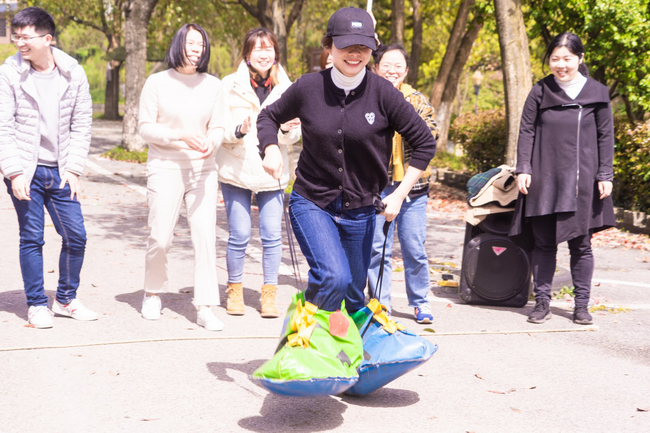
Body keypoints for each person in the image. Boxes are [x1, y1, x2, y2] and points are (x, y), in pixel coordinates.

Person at [257, 7, 436, 319]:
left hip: (362, 209)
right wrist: (270, 148)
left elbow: (425, 142)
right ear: (329, 46)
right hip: (312, 201)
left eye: (363, 47)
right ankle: (302, 339)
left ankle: (338, 345)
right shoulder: (308, 87)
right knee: (334, 278)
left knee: (353, 296)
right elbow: (268, 116)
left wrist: (399, 194)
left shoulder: (384, 94)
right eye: (346, 46)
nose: (355, 54)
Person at [0, 7, 97, 328]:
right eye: (16, 37)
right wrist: (14, 172)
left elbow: (82, 124)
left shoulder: (73, 73)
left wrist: (74, 169)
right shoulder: (9, 74)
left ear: (47, 39)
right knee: (32, 237)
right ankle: (37, 304)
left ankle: (66, 299)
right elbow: (3, 127)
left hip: (61, 170)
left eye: (26, 37)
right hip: (25, 170)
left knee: (76, 236)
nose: (19, 43)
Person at [510, 32, 615, 325]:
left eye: (567, 58)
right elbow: (526, 130)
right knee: (544, 243)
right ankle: (542, 302)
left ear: (579, 59)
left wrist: (605, 173)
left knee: (581, 245)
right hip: (544, 179)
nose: (561, 65)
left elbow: (606, 136)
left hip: (583, 182)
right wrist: (523, 168)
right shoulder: (540, 90)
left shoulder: (597, 93)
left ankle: (581, 306)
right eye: (555, 59)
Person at [138, 23, 225, 331]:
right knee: (160, 237)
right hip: (165, 166)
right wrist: (179, 136)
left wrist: (212, 142)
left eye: (201, 44)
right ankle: (152, 293)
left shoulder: (213, 85)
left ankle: (205, 306)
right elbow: (145, 127)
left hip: (203, 169)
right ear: (179, 45)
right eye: (190, 43)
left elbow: (218, 126)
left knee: (205, 237)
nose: (196, 49)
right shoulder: (157, 82)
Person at [217, 28, 300, 318]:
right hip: (236, 169)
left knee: (272, 236)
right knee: (239, 234)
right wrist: (239, 130)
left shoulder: (288, 89)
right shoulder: (229, 85)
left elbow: (294, 136)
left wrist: (286, 130)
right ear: (247, 54)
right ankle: (234, 290)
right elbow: (219, 130)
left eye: (269, 48)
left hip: (271, 172)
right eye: (257, 49)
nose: (263, 54)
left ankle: (269, 294)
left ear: (276, 53)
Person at [367, 44, 439, 324]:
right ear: (376, 68)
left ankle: (420, 302)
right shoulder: (367, 97)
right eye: (386, 65)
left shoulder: (416, 100)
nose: (392, 71)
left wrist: (403, 115)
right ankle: (380, 304)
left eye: (398, 66)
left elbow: (430, 136)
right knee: (378, 248)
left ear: (406, 71)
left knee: (414, 248)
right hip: (377, 185)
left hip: (413, 189)